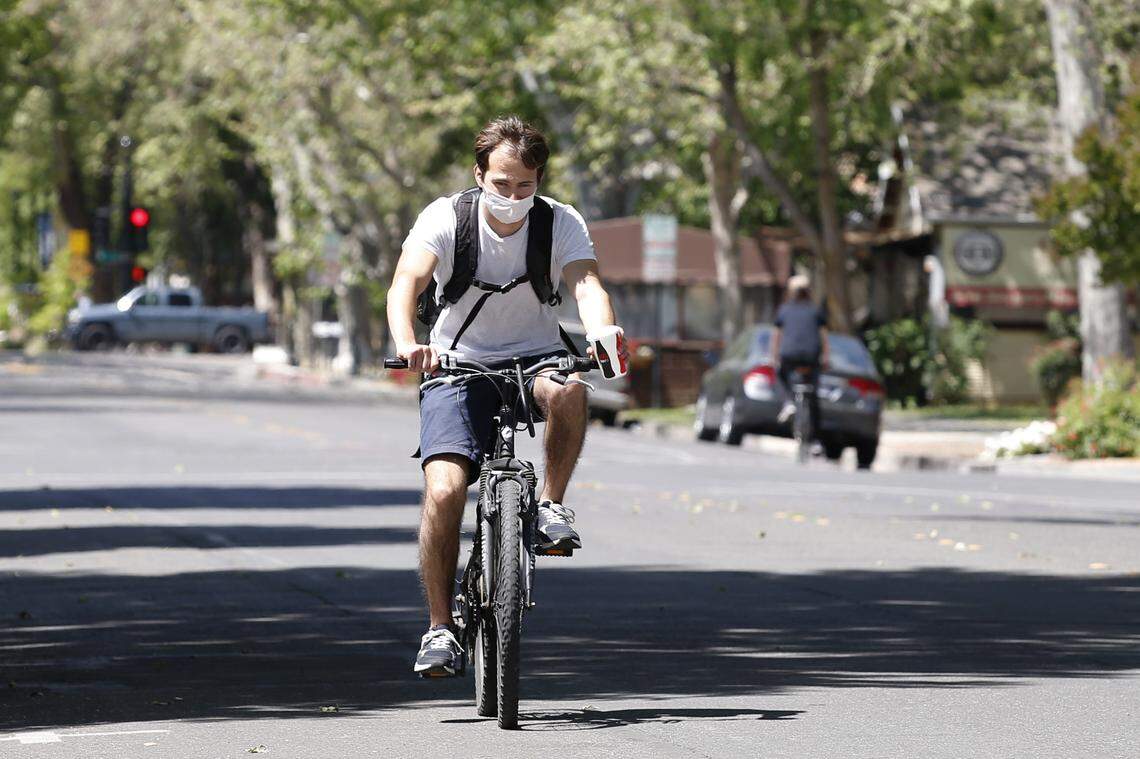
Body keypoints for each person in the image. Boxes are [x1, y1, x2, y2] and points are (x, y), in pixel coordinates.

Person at [386, 116, 628, 677]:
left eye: (525, 185)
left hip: (536, 357)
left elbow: (586, 284)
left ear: (539, 181)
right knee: (445, 490)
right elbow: (406, 282)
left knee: (571, 389)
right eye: (501, 184)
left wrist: (603, 333)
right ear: (479, 175)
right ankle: (439, 628)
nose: (514, 197)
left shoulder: (559, 221)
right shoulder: (446, 217)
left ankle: (550, 506)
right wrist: (407, 343)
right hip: (455, 363)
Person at [771, 274, 829, 426]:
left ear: (791, 292)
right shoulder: (816, 311)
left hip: (789, 355)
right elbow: (824, 337)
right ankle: (815, 429)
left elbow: (776, 336)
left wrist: (774, 357)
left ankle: (788, 402)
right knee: (813, 389)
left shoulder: (784, 310)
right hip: (811, 356)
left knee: (779, 374)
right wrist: (826, 357)